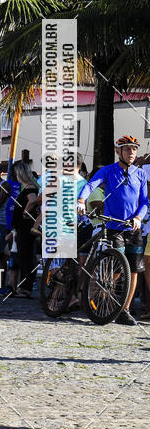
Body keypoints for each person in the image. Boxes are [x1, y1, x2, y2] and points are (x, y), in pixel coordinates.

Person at [78, 134, 148, 326]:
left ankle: (124, 310)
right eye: (127, 149)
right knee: (116, 267)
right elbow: (90, 185)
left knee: (134, 270)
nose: (131, 152)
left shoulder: (140, 174)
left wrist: (138, 218)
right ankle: (104, 301)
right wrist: (81, 200)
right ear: (119, 151)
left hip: (133, 227)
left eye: (134, 149)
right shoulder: (108, 171)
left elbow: (144, 201)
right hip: (114, 226)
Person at [10, 160, 40, 301]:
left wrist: (26, 211)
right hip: (22, 227)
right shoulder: (28, 187)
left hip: (26, 228)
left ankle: (25, 288)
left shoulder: (30, 188)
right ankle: (23, 287)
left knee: (26, 259)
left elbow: (33, 200)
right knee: (23, 258)